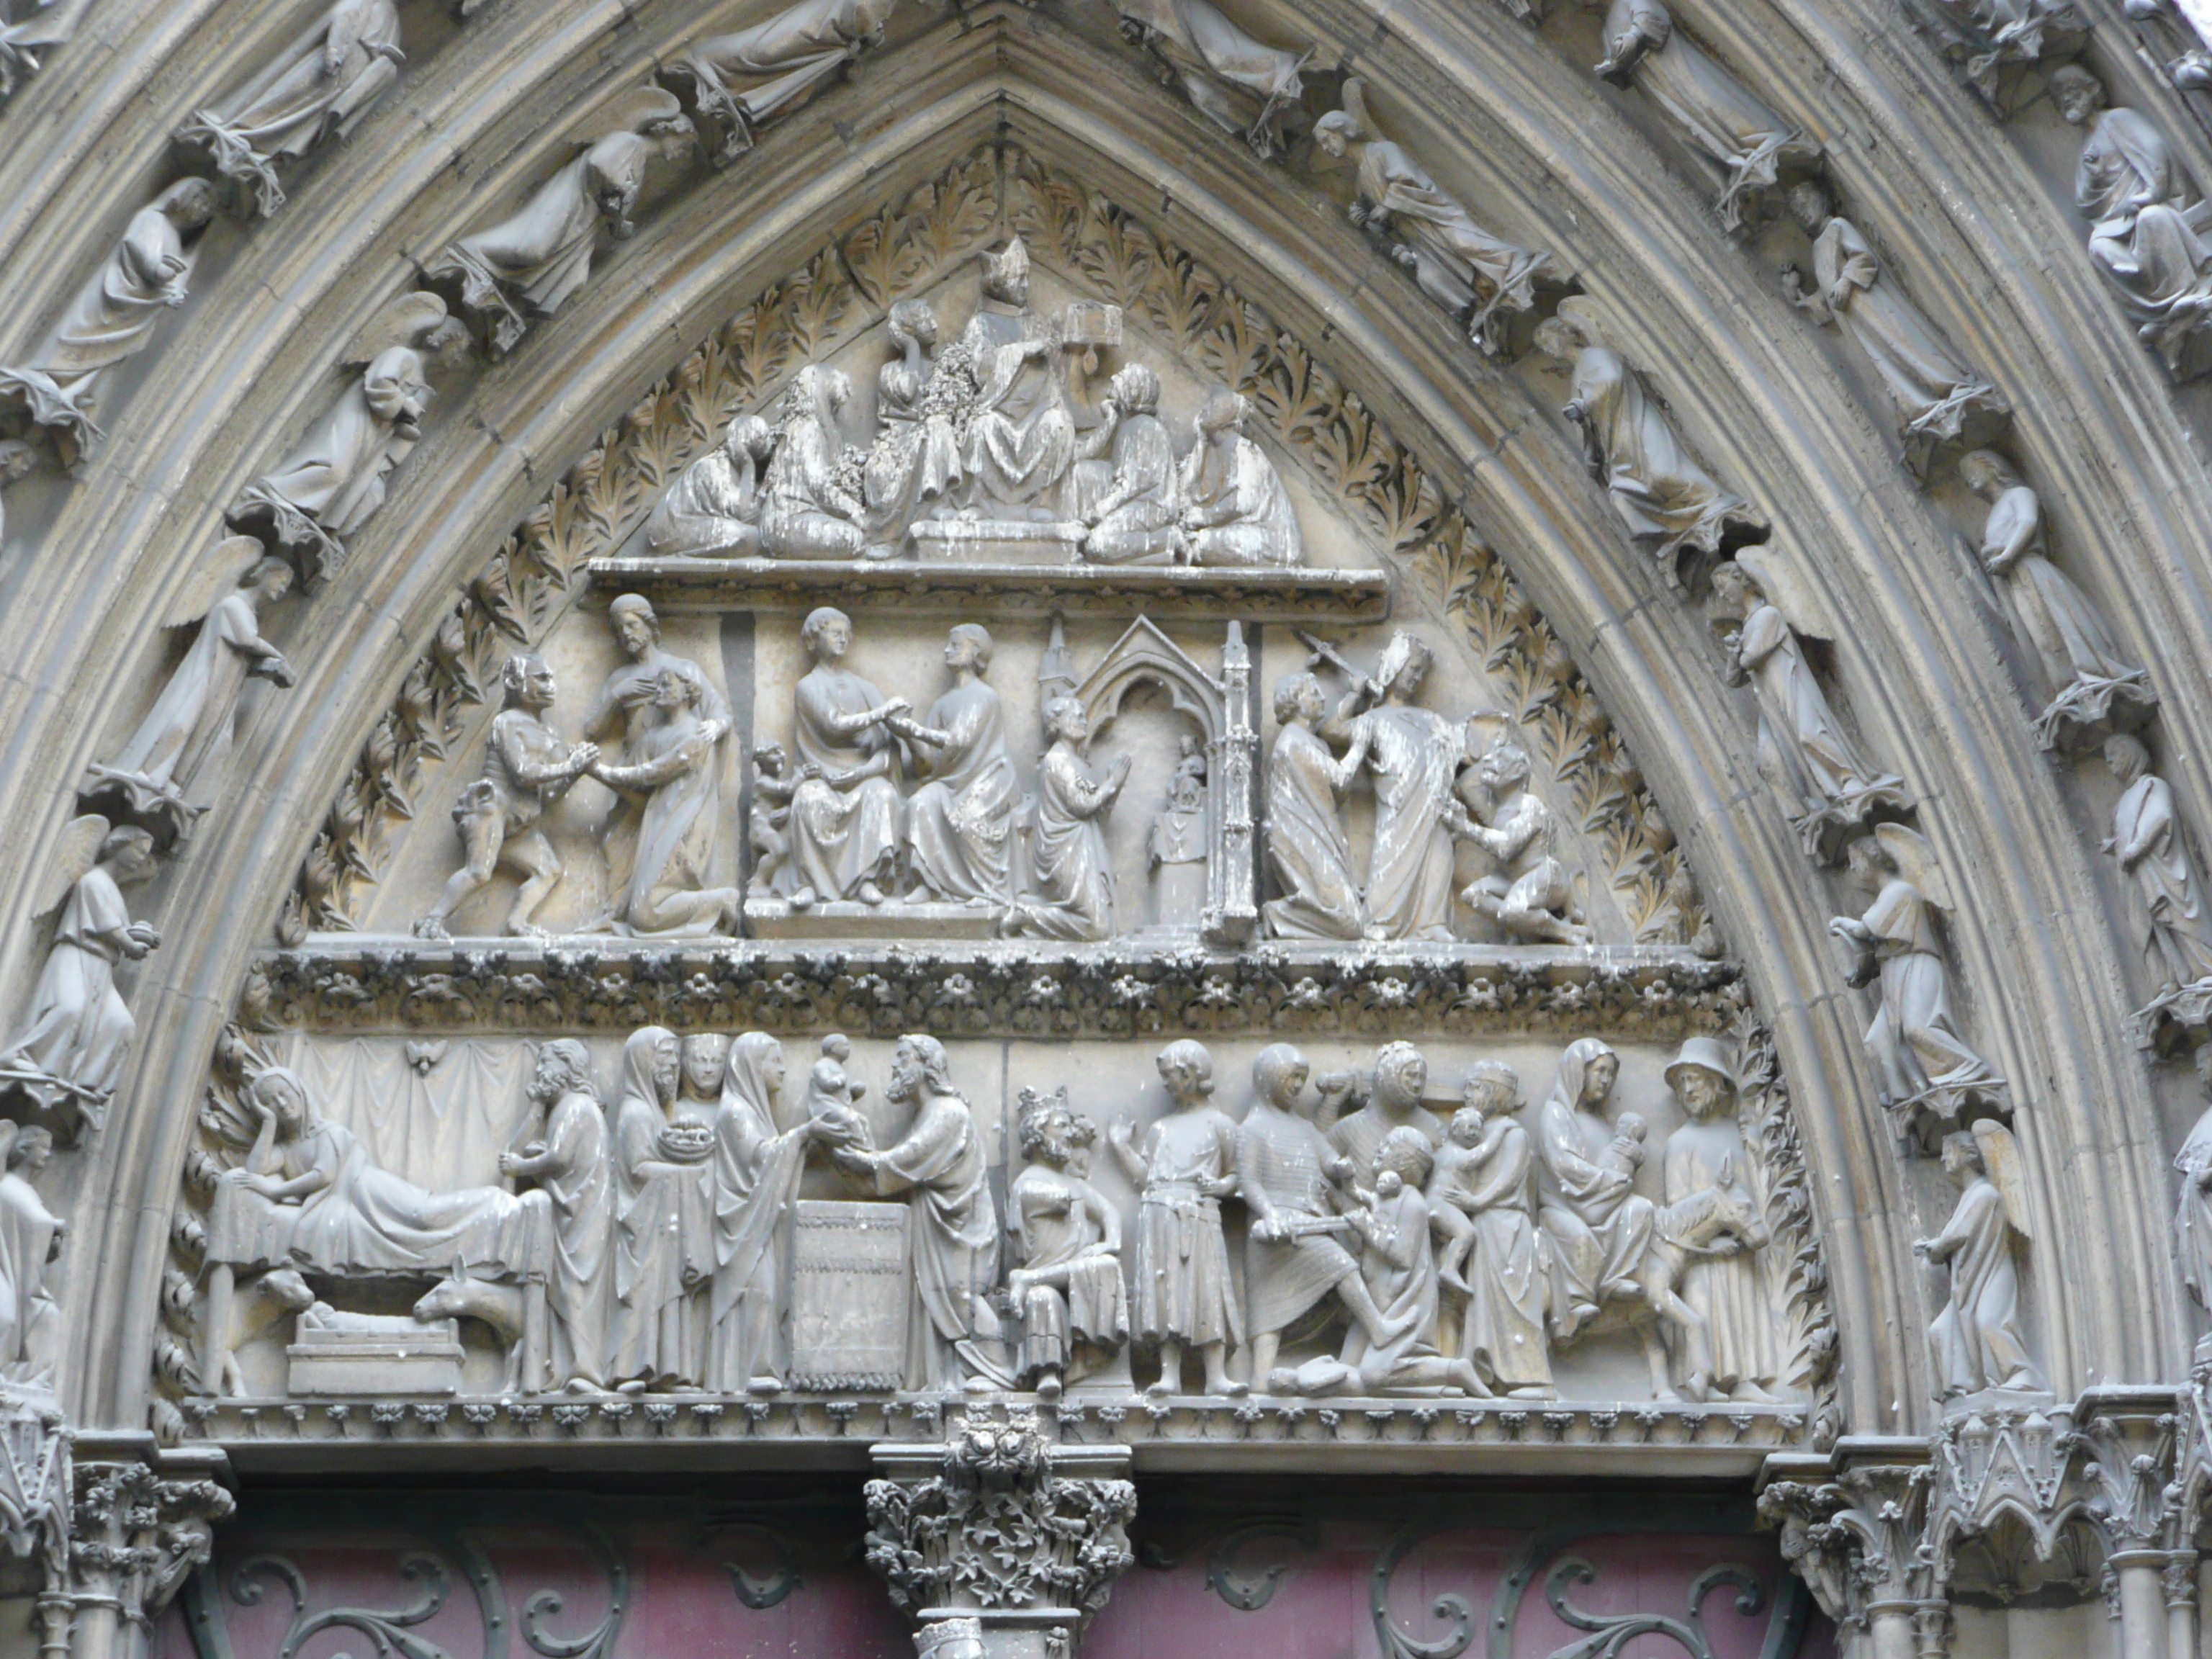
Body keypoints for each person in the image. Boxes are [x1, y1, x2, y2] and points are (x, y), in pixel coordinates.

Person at [1313, 79, 1545, 349]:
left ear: (1344, 130)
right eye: (1323, 145)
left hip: (1434, 216)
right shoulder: (1360, 184)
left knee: (1467, 244)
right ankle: (1479, 308)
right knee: (1432, 279)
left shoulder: (1383, 151)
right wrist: (1365, 220)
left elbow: (1413, 182)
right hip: (1418, 238)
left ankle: (1516, 266)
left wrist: (1387, 207)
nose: (1327, 148)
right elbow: (1384, 231)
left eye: (1328, 139)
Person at [834, 1035, 1009, 1388]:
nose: (896, 1066)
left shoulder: (948, 1112)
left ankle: (997, 1369)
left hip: (959, 1229)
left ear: (927, 1066)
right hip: (935, 1224)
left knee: (962, 1296)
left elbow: (908, 1160)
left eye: (903, 1058)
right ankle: (944, 1375)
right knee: (937, 1297)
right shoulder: (929, 1112)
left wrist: (863, 1160)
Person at [1235, 1044, 1411, 1387]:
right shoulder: (1252, 1128)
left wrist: (1340, 1167)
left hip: (1310, 1221)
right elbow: (1249, 1180)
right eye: (1292, 1078)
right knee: (1268, 1306)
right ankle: (1259, 1378)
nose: (1298, 1086)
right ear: (1270, 1078)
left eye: (1302, 1078)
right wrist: (1270, 1213)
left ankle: (1376, 1328)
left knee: (1339, 1263)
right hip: (1276, 1228)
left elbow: (1328, 1158)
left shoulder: (1302, 1127)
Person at [86, 557, 297, 830]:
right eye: (282, 582)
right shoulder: (232, 604)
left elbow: (239, 655)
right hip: (201, 676)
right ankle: (149, 773)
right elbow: (246, 641)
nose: (282, 590)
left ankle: (171, 782)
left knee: (205, 738)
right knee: (180, 724)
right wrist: (279, 657)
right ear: (266, 573)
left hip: (221, 686)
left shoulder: (248, 611)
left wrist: (269, 669)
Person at [1277, 1128, 1483, 1396]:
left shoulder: (1413, 1205)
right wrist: (1340, 1189)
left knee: (1374, 1375)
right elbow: (1359, 1196)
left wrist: (1368, 1230)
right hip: (1377, 1303)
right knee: (1348, 1366)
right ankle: (1439, 1391)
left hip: (1403, 1306)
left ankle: (1454, 1372)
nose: (1379, 1149)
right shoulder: (1385, 1198)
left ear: (1404, 1162)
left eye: (1387, 1146)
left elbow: (1402, 1256)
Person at [414, 654, 599, 940]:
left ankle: (517, 923)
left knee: (548, 870)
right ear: (516, 683)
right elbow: (523, 773)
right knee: (478, 872)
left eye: (551, 678)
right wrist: (568, 766)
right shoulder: (508, 722)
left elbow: (549, 795)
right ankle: (432, 920)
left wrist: (576, 772)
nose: (551, 685)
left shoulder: (550, 734)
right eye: (540, 678)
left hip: (519, 822)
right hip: (492, 810)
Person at [0, 824, 160, 1125]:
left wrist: (139, 938)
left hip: (101, 967)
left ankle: (84, 1081)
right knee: (69, 1008)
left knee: (121, 1024)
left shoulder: (113, 887)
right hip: (75, 956)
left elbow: (119, 930)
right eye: (139, 850)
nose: (142, 858)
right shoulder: (94, 881)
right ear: (118, 846)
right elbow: (109, 928)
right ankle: (18, 1056)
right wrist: (132, 944)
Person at [1107, 1040, 1243, 1397]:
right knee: (1167, 1294)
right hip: (1160, 1215)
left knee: (1207, 1290)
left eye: (1170, 1075)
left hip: (1199, 1213)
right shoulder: (1161, 1128)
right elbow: (1146, 1177)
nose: (1166, 1083)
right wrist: (1121, 1147)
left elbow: (1239, 1175)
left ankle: (1216, 1376)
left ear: (1191, 1074)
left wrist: (1219, 1185)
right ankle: (1170, 1375)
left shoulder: (1221, 1124)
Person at [584, 595, 729, 918]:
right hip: (634, 769)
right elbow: (592, 730)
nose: (627, 635)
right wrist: (616, 697)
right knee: (615, 841)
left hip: (670, 780)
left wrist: (713, 729)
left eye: (633, 625)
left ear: (650, 626)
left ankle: (648, 910)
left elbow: (719, 713)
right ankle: (619, 912)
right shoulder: (620, 679)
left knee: (663, 859)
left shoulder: (681, 671)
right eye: (620, 630)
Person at [707, 1033, 830, 1393]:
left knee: (765, 1292)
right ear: (751, 1065)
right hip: (741, 1224)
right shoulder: (735, 1111)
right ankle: (742, 1372)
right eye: (775, 1060)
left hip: (757, 1221)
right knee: (756, 1290)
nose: (783, 1068)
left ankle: (756, 1367)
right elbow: (761, 1159)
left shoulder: (753, 1112)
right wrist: (804, 1133)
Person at [1660, 1039, 1779, 1403]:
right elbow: (1677, 1204)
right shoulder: (1680, 1142)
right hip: (1701, 1250)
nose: (1688, 1089)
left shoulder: (1736, 1134)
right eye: (1682, 1083)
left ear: (1717, 1082)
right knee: (1703, 1304)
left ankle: (1744, 1380)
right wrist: (1709, 1239)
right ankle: (1704, 1380)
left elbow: (1759, 1194)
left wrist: (1757, 1148)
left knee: (1741, 1306)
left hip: (1741, 1246)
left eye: (1695, 1079)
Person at [1323, 632, 1462, 942]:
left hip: (1435, 802)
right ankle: (1383, 920)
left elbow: (1460, 748)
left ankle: (1432, 923)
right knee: (1393, 856)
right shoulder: (1374, 720)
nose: (1416, 677)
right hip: (1399, 805)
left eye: (1420, 673)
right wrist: (1354, 695)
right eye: (1411, 669)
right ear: (1395, 667)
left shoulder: (1430, 719)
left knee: (1439, 850)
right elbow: (1332, 730)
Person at [1428, 1066, 1555, 1398]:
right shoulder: (1477, 1133)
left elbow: (1510, 1177)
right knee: (1484, 1305)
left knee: (1515, 1303)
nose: (1467, 1095)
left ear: (1494, 1092)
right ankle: (1486, 1371)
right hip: (1485, 1227)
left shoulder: (1513, 1133)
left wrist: (1476, 1200)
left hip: (1507, 1225)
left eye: (1475, 1089)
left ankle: (1533, 1380)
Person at [590, 667, 739, 937]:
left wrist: (602, 771)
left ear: (687, 691)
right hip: (659, 822)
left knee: (645, 911)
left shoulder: (699, 734)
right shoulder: (652, 738)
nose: (659, 691)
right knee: (639, 908)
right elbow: (632, 785)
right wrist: (591, 769)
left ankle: (723, 900)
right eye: (657, 687)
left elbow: (657, 771)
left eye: (667, 685)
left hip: (685, 824)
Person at [500, 1040, 611, 1393]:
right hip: (571, 1211)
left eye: (546, 1062)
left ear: (567, 1066)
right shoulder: (559, 1107)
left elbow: (560, 1159)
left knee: (576, 1287)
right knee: (567, 1288)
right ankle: (567, 1368)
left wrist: (524, 1166)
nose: (539, 1071)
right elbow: (517, 1153)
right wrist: (535, 1106)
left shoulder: (576, 1105)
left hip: (581, 1213)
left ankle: (585, 1369)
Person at [783, 606, 909, 907]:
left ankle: (866, 879)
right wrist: (883, 711)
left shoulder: (863, 687)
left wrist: (862, 773)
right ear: (814, 639)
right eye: (834, 632)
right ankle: (809, 883)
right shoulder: (808, 686)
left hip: (862, 775)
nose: (842, 639)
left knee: (882, 794)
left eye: (845, 634)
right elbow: (834, 724)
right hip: (823, 777)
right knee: (808, 799)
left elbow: (888, 746)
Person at [606, 1026, 711, 1389]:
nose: (673, 1067)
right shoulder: (636, 1113)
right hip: (642, 1224)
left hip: (663, 1225)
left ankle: (670, 1370)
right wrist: (688, 1174)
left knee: (670, 1295)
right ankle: (631, 1369)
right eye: (665, 1058)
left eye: (674, 1059)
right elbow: (638, 1169)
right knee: (645, 1293)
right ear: (644, 1061)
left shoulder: (655, 1112)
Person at [1007, 1088, 1128, 1393]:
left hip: (1076, 1278)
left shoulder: (1070, 1181)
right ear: (1038, 1134)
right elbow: (1062, 1200)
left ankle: (1027, 1279)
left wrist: (1109, 1243)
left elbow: (1110, 1213)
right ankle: (1048, 1372)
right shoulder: (1028, 1183)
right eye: (1061, 1126)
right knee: (1042, 1299)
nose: (1069, 1134)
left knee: (1107, 1264)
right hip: (1054, 1281)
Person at [1532, 1039, 1655, 1341]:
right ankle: (1574, 1306)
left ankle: (1616, 1278)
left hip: (1605, 1204)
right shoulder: (1557, 1113)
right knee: (1580, 1237)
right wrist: (1607, 1180)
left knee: (1641, 1209)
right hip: (1563, 1208)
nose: (1606, 1080)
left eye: (1610, 1074)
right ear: (1578, 1071)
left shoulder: (1601, 1123)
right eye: (1600, 1071)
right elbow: (1565, 1164)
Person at [1915, 1123, 2046, 1398]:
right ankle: (1967, 1388)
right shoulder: (1968, 1197)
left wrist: (1936, 1247)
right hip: (1970, 1280)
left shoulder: (1985, 1194)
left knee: (1990, 1322)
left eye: (1948, 1151)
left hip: (1991, 1275)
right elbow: (1954, 1235)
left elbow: (1959, 1233)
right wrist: (1936, 1248)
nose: (1942, 1159)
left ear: (1968, 1155)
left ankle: (2021, 1375)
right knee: (1940, 1331)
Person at [900, 624, 1017, 906]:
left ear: (975, 651)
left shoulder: (985, 696)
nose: (947, 650)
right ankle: (928, 882)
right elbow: (928, 763)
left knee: (968, 819)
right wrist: (906, 734)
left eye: (955, 645)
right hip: (950, 781)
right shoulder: (943, 704)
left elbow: (959, 741)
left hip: (986, 780)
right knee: (920, 803)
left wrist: (914, 730)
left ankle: (989, 891)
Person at [1004, 696, 1130, 940]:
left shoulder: (1078, 764)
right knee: (1098, 928)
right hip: (1066, 850)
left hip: (1084, 845)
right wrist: (1111, 783)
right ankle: (1027, 915)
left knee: (1105, 926)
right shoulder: (1056, 760)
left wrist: (1116, 786)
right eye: (1077, 716)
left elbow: (1097, 816)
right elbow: (1081, 805)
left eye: (1084, 715)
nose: (1084, 721)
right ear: (1057, 723)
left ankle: (1031, 914)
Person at [1262, 673, 1366, 940]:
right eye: (1314, 692)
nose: (1321, 698)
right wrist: (1361, 744)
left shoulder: (1312, 742)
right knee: (1349, 923)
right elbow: (1342, 777)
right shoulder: (1294, 741)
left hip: (1317, 832)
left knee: (1351, 918)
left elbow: (1337, 793)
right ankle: (1278, 915)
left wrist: (1353, 697)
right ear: (1297, 700)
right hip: (1300, 835)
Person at [1071, 364, 1183, 565]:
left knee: (1099, 545)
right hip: (1136, 505)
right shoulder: (1129, 427)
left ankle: (1167, 540)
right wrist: (1111, 421)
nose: (1114, 377)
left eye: (1122, 377)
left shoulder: (1143, 428)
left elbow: (1134, 484)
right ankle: (1159, 553)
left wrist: (1100, 510)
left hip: (1150, 508)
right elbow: (1083, 457)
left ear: (1134, 390)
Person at [1179, 390, 1303, 566]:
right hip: (1239, 532)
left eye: (1214, 406)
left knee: (1199, 545)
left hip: (1270, 541)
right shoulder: (1210, 451)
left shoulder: (1245, 450)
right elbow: (1185, 492)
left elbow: (1244, 502)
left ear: (1229, 419)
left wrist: (1204, 517)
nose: (1205, 409)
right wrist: (1201, 441)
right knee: (1194, 544)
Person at [759, 365, 866, 559]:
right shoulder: (807, 428)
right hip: (788, 521)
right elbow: (816, 482)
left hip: (794, 518)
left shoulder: (801, 427)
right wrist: (853, 510)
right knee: (854, 538)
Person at [644, 415, 775, 556]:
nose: (770, 442)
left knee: (755, 536)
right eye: (764, 437)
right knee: (749, 536)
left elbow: (749, 511)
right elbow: (745, 515)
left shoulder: (736, 472)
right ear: (747, 442)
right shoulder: (712, 467)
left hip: (703, 523)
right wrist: (748, 465)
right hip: (672, 532)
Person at [0, 1124, 63, 1385]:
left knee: (48, 1317)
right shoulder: (9, 1186)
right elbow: (35, 1221)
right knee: (6, 1317)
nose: (48, 1156)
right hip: (10, 1273)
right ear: (24, 1149)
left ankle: (26, 1382)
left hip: (24, 1275)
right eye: (43, 1148)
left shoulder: (26, 1190)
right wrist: (57, 1226)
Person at [1328, 1040, 1441, 1173]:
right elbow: (1319, 1159)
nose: (1416, 1084)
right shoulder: (1351, 1128)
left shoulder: (1434, 1129)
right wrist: (1331, 1101)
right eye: (1410, 1075)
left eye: (1421, 1078)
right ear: (1388, 1075)